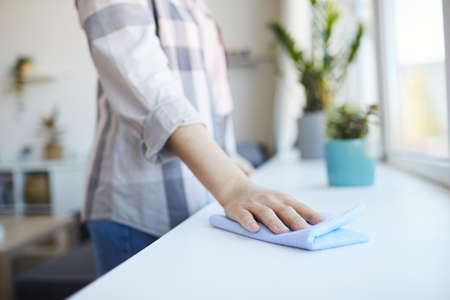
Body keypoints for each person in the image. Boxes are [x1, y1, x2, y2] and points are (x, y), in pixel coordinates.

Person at [75, 0, 325, 276]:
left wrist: (229, 156)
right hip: (139, 209)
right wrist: (232, 185)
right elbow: (145, 84)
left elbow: (202, 94)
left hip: (198, 201)